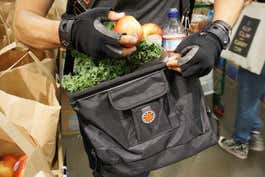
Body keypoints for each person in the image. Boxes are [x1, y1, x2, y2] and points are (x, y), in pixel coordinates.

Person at [13, 0, 245, 176]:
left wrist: (217, 33)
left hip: (172, 83)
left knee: (170, 151)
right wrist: (72, 32)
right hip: (111, 105)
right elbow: (23, 23)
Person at [219, 0, 265, 160]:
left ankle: (240, 142)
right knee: (255, 93)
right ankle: (255, 131)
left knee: (248, 92)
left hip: (260, 43)